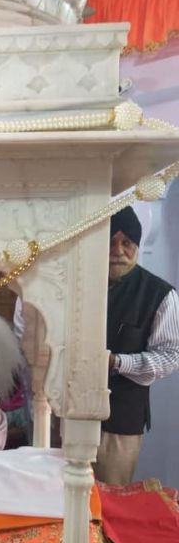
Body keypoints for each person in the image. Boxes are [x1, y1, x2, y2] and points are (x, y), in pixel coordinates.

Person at [94, 206, 179, 485]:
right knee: (61, 501)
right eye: (110, 241)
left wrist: (118, 361)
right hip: (69, 416)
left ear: (137, 246)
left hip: (121, 423)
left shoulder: (159, 294)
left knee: (110, 504)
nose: (117, 250)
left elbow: (169, 356)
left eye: (126, 242)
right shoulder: (81, 285)